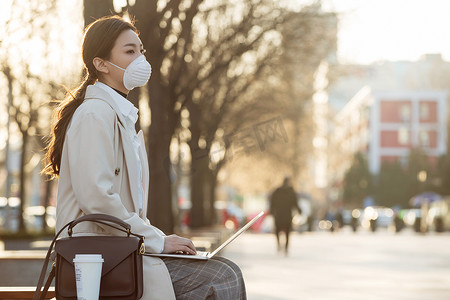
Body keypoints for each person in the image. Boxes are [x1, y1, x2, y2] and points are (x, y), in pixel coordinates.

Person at [43, 15, 245, 300]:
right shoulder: (94, 114)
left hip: (120, 253)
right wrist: (158, 241)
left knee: (225, 271)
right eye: (129, 51)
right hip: (98, 261)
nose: (141, 59)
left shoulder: (119, 116)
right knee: (222, 277)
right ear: (100, 64)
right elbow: (97, 199)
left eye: (141, 50)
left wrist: (157, 239)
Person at [269, 177, 301, 254]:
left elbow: (272, 202)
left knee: (277, 230)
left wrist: (272, 211)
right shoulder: (290, 191)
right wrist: (299, 210)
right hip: (287, 215)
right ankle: (285, 247)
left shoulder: (277, 191)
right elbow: (295, 203)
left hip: (279, 214)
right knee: (287, 231)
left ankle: (279, 245)